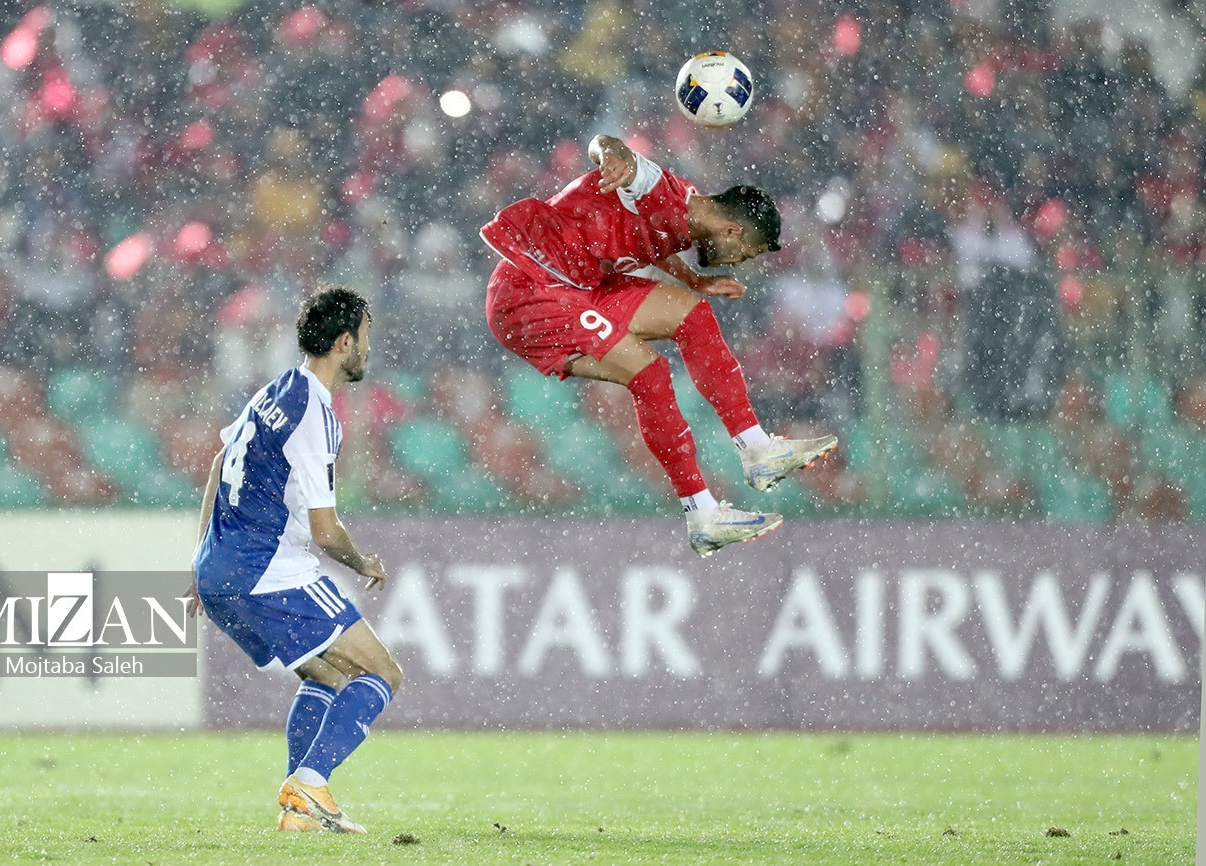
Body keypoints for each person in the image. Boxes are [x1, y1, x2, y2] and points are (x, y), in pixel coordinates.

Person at [480, 134, 837, 556]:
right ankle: (701, 511)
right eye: (745, 252)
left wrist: (694, 280)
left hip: (580, 287)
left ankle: (755, 450)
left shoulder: (683, 217)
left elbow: (655, 242)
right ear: (731, 229)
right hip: (529, 290)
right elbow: (611, 146)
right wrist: (610, 157)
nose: (738, 263)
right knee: (650, 372)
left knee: (694, 314)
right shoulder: (655, 187)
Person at [185, 286, 402, 834]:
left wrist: (201, 562)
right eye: (366, 338)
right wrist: (363, 562)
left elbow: (218, 464)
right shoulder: (315, 415)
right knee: (382, 671)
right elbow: (326, 531)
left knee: (328, 673)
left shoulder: (275, 392)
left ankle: (297, 812)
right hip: (268, 569)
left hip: (221, 572)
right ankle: (310, 782)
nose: (369, 349)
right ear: (344, 342)